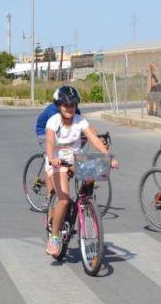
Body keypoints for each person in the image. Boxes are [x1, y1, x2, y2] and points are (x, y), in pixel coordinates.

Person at [44, 86, 116, 256]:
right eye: (66, 105)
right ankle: (54, 238)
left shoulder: (80, 120)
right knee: (64, 200)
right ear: (59, 106)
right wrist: (51, 157)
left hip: (76, 159)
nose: (70, 109)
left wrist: (108, 156)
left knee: (93, 170)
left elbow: (94, 139)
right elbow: (48, 142)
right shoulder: (53, 121)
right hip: (57, 161)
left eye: (73, 105)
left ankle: (86, 203)